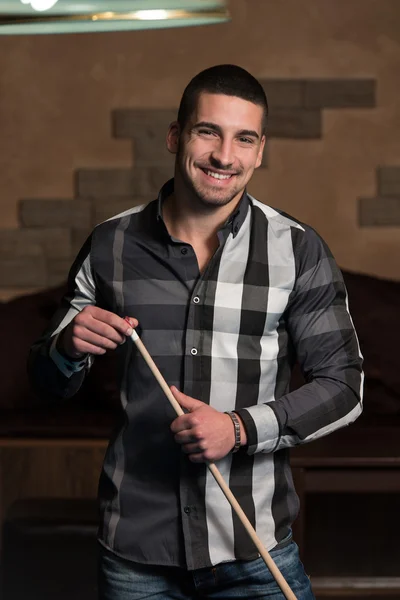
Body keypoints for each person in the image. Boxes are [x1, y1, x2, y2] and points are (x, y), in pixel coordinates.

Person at [28, 64, 363, 599]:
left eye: (243, 139)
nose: (224, 156)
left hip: (255, 552)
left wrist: (236, 428)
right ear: (175, 136)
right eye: (208, 131)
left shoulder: (298, 250)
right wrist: (67, 348)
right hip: (135, 554)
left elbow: (345, 388)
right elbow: (48, 383)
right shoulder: (109, 245)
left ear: (259, 151)